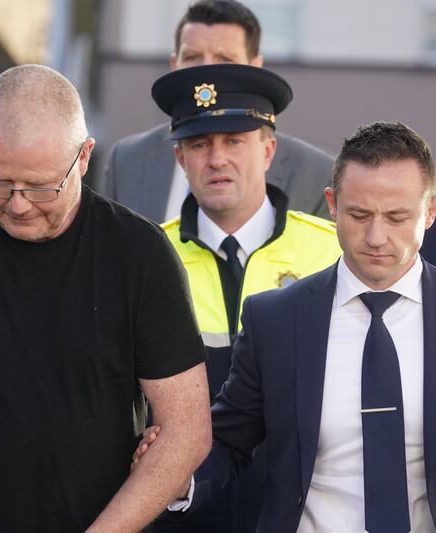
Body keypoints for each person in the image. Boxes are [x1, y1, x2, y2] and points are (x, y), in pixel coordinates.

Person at [0, 64, 211, 532]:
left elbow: (187, 430)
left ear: (85, 156)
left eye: (38, 186)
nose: (17, 204)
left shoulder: (140, 254)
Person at [138, 121, 436, 532]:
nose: (375, 236)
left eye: (397, 217)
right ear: (332, 205)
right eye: (359, 214)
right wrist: (175, 476)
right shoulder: (276, 321)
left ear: (430, 211)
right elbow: (228, 440)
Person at [145, 63, 342, 532]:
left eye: (234, 140)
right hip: (179, 514)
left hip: (297, 515)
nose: (217, 159)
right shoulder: (147, 255)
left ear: (269, 149)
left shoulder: (331, 250)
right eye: (199, 144)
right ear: (180, 159)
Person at [100, 0, 333, 222]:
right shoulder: (128, 160)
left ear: (255, 66)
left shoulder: (314, 173)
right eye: (192, 57)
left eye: (224, 58)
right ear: (174, 65)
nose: (207, 71)